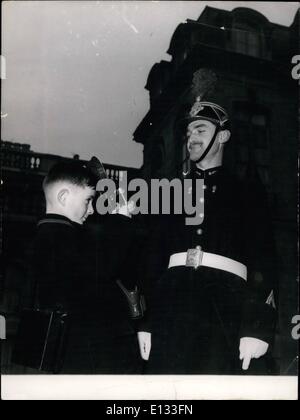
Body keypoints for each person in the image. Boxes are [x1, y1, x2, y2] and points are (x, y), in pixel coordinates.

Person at [138, 97, 278, 374]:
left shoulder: (246, 191)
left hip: (225, 310)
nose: (192, 138)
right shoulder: (172, 192)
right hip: (172, 307)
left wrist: (256, 327)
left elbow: (264, 260)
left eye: (201, 130)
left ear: (222, 135)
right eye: (189, 133)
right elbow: (153, 261)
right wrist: (147, 322)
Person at [24, 160, 142, 374]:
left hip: (82, 352)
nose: (90, 209)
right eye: (88, 200)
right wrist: (121, 220)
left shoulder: (53, 233)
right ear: (63, 197)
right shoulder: (57, 235)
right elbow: (103, 267)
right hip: (89, 355)